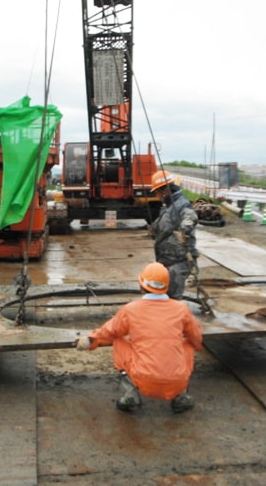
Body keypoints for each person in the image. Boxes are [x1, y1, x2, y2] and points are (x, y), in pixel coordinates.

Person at [76, 262, 203, 412]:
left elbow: (109, 332)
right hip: (177, 381)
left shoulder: (131, 309)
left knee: (118, 339)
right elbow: (196, 337)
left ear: (141, 285)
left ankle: (131, 395)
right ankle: (181, 397)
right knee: (188, 343)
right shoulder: (181, 309)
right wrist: (196, 345)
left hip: (143, 381)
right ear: (166, 286)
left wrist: (91, 340)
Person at [149, 170, 199, 300]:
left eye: (157, 192)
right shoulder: (169, 206)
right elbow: (166, 223)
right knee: (164, 296)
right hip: (167, 260)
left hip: (178, 261)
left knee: (172, 299)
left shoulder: (181, 204)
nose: (156, 195)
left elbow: (190, 216)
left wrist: (185, 230)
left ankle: (173, 319)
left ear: (165, 190)